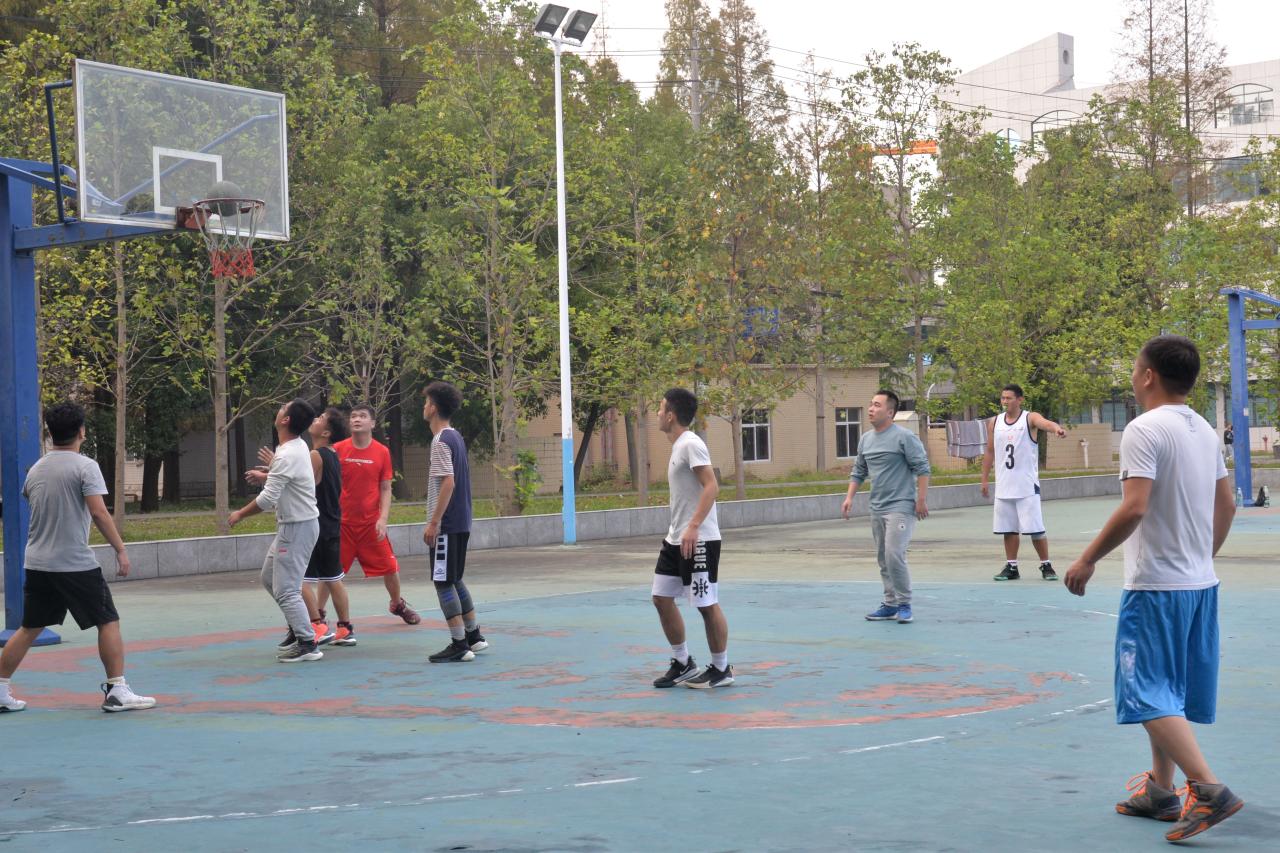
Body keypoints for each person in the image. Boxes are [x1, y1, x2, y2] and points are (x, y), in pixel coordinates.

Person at [1064, 335, 1242, 843]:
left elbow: (1135, 506)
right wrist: (1202, 555)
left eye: (1134, 368)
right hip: (1199, 585)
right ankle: (1161, 791)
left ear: (1148, 376)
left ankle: (1208, 789)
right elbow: (1227, 505)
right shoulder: (1203, 429)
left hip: (1157, 588)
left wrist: (1087, 558)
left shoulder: (1143, 429)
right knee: (1168, 689)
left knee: (1143, 691)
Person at [0, 402, 156, 713]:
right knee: (107, 620)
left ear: (50, 433)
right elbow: (98, 511)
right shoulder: (86, 466)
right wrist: (121, 549)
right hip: (73, 562)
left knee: (30, 627)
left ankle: (0, 689)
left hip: (38, 562)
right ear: (82, 431)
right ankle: (117, 690)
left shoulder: (36, 469)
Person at [248, 407, 356, 648]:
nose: (315, 419)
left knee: (298, 581)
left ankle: (314, 626)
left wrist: (272, 469)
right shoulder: (329, 453)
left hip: (310, 523)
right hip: (329, 523)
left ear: (326, 432)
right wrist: (273, 470)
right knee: (333, 577)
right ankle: (344, 627)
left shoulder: (315, 455)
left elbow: (298, 480)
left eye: (321, 419)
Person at [650, 388, 732, 689]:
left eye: (661, 408)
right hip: (676, 539)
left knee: (706, 604)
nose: (658, 413)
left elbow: (711, 486)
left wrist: (694, 526)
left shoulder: (691, 444)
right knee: (661, 598)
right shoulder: (679, 446)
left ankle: (721, 668)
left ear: (671, 416)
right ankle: (683, 663)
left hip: (699, 539)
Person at [231, 399, 322, 663]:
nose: (279, 408)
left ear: (285, 420)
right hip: (294, 526)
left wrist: (239, 514)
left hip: (297, 528)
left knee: (287, 590)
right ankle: (298, 627)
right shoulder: (295, 446)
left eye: (283, 408)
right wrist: (269, 473)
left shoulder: (286, 454)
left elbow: (266, 500)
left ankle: (308, 643)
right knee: (269, 578)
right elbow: (289, 477)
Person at [841, 390, 930, 624]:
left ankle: (904, 604)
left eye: (877, 405)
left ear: (890, 412)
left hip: (901, 506)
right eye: (871, 404)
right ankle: (890, 604)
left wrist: (921, 499)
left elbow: (922, 468)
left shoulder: (904, 437)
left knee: (894, 554)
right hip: (877, 507)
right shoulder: (866, 439)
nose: (871, 409)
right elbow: (859, 471)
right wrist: (849, 497)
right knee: (883, 558)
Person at [329, 404, 420, 625]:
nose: (356, 419)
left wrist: (383, 518)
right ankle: (318, 616)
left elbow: (386, 488)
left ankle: (397, 604)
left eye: (362, 416)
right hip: (342, 525)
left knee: (390, 567)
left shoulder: (382, 452)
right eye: (353, 416)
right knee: (330, 572)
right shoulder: (337, 449)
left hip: (371, 524)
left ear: (372, 423)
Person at [421, 382, 486, 663]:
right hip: (461, 520)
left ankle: (459, 644)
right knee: (454, 578)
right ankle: (474, 636)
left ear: (434, 408)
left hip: (447, 524)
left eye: (426, 402)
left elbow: (448, 482)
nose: (424, 407)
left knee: (442, 582)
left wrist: (434, 522)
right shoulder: (455, 436)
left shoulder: (440, 441)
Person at [981, 384, 1067, 582]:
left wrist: (1056, 429)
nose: (1005, 401)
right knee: (1008, 529)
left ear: (1019, 400)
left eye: (1009, 398)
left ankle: (1046, 565)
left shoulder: (1029, 418)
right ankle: (1012, 566)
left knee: (1036, 528)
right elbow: (990, 451)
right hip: (1004, 486)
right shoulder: (994, 422)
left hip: (1026, 486)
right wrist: (984, 479)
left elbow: (1045, 423)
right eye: (1003, 398)